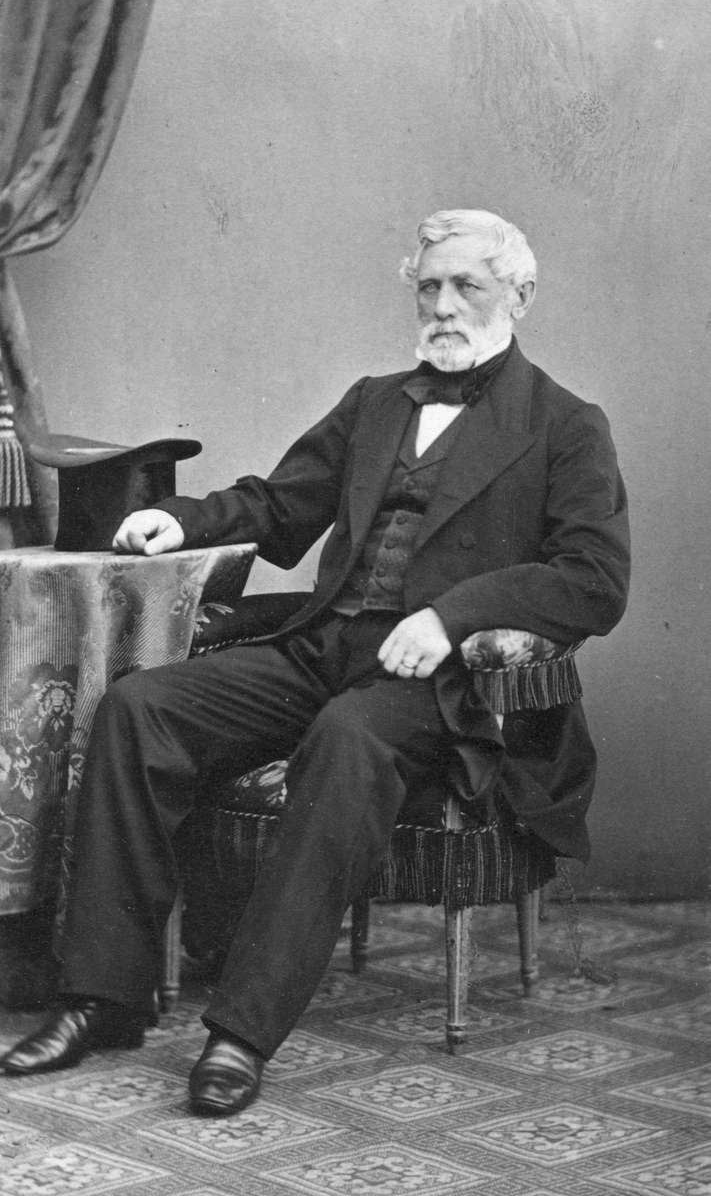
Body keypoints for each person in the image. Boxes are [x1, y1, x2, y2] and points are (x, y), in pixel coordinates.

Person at [0, 209, 630, 1115]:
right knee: (142, 708)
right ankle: (102, 998)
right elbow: (281, 504)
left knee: (346, 735)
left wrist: (453, 617)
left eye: (467, 286)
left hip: (440, 685)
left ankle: (240, 1033)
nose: (443, 306)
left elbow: (593, 579)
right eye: (428, 286)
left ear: (519, 295)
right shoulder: (375, 401)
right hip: (325, 645)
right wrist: (184, 520)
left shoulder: (565, 424)